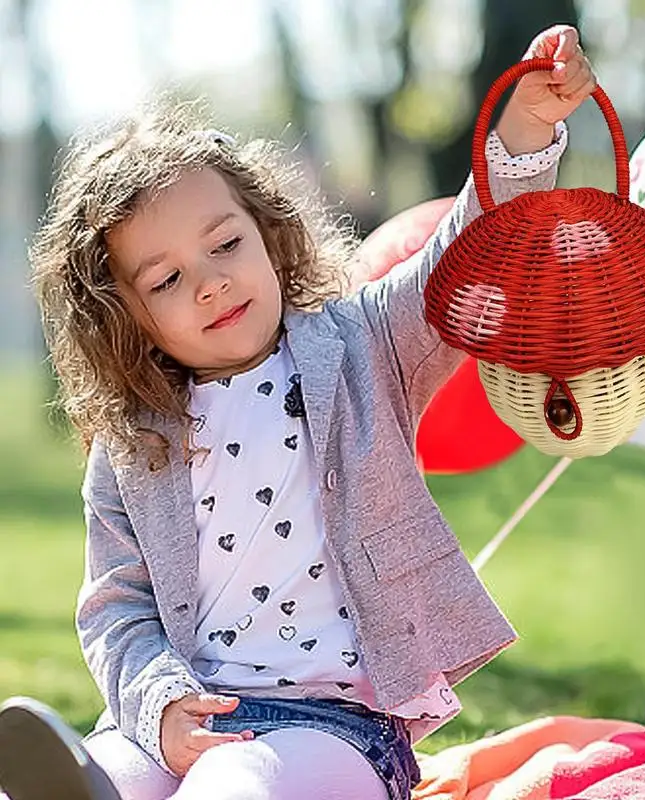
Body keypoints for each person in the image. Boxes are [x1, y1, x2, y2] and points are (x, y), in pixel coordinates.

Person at [0, 23, 596, 800]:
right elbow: (117, 608)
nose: (211, 282)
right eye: (167, 281)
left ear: (268, 233)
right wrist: (159, 709)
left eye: (224, 245)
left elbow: (466, 255)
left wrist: (524, 133)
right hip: (191, 718)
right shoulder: (133, 441)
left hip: (332, 726)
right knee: (107, 773)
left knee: (239, 784)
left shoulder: (363, 346)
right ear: (126, 317)